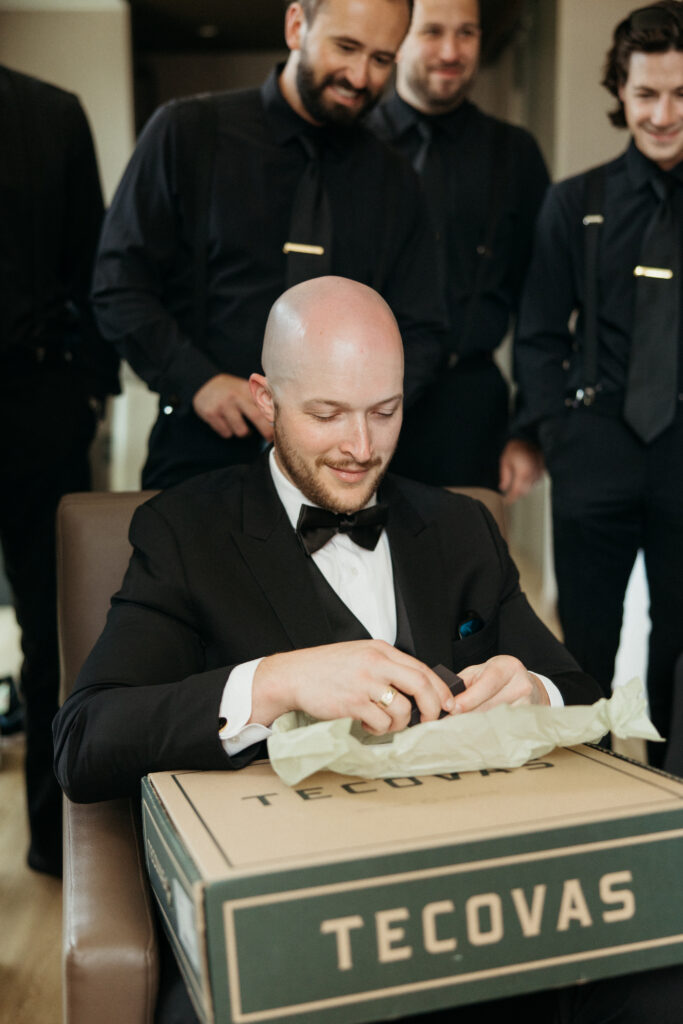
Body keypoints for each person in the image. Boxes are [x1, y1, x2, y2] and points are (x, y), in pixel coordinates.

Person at [54, 277, 682, 1024]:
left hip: (486, 911)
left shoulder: (460, 528)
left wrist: (533, 693)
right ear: (265, 402)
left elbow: (578, 693)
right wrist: (274, 683)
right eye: (326, 415)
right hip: (298, 922)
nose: (360, 446)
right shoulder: (186, 533)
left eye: (384, 413)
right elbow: (84, 740)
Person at [91, 0, 446, 490]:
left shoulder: (397, 179)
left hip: (348, 469)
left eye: (382, 59)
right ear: (297, 25)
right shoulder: (186, 133)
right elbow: (118, 287)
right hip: (200, 453)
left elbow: (424, 327)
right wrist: (198, 381)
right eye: (346, 47)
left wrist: (365, 416)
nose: (361, 76)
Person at [513, 0, 683, 768]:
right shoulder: (571, 203)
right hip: (596, 451)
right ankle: (588, 789)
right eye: (645, 94)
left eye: (680, 94)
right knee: (582, 641)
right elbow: (541, 332)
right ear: (619, 92)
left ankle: (670, 801)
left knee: (680, 650)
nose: (662, 114)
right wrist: (560, 437)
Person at [0, 65, 119, 877]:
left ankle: (53, 842)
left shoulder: (52, 112)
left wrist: (85, 394)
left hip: (37, 405)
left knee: (52, 631)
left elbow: (94, 266)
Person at [368, 0, 548, 498]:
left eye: (466, 33)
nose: (451, 51)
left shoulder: (515, 154)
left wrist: (529, 429)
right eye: (433, 33)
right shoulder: (352, 144)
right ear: (399, 39)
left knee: (467, 571)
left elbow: (541, 304)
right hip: (363, 407)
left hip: (470, 407)